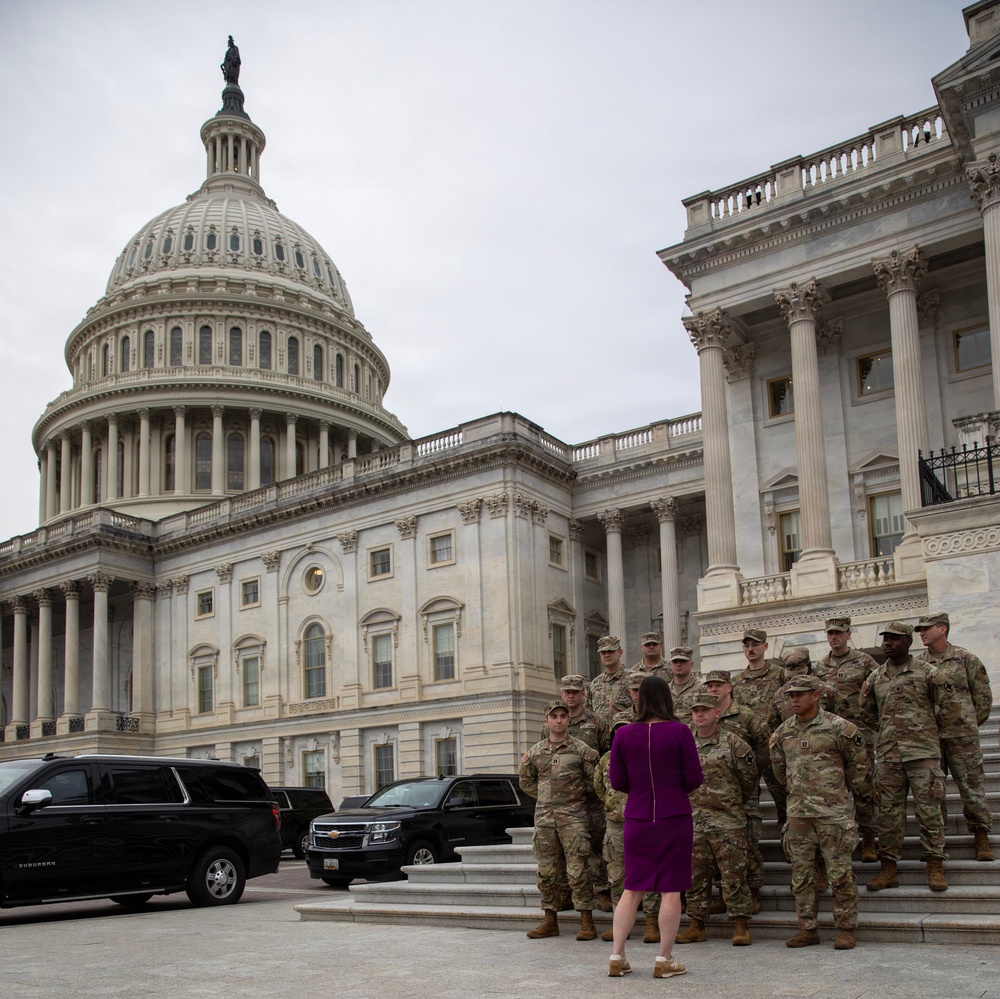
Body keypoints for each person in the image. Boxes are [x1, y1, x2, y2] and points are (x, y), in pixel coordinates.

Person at [607, 676, 703, 979]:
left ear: (639, 700)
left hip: (637, 816)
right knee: (671, 889)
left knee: (632, 888)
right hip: (673, 815)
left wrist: (641, 792)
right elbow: (695, 777)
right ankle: (664, 958)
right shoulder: (680, 731)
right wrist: (672, 791)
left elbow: (617, 781)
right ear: (667, 698)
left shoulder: (622, 734)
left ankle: (617, 954)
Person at [770, 674, 870, 950]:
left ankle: (846, 928)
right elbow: (780, 771)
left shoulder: (840, 728)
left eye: (800, 694)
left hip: (833, 814)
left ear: (816, 695)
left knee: (839, 874)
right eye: (791, 695)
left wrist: (837, 796)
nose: (794, 699)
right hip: (799, 814)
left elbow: (859, 768)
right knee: (801, 876)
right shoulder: (782, 732)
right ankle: (808, 928)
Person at [860, 622, 960, 893]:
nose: (887, 643)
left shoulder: (929, 673)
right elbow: (866, 711)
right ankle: (889, 868)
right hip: (890, 755)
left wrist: (928, 730)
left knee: (929, 812)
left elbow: (951, 707)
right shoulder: (876, 678)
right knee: (889, 815)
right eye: (885, 639)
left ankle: (935, 865)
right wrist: (887, 730)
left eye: (894, 639)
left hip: (923, 753)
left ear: (908, 642)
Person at [676, 691, 757, 947]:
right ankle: (697, 924)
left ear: (717, 713)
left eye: (705, 710)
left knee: (733, 876)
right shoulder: (683, 743)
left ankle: (740, 925)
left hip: (727, 822)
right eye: (695, 711)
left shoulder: (734, 743)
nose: (699, 715)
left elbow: (749, 780)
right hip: (694, 822)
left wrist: (729, 805)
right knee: (694, 877)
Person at [915, 612, 995, 862]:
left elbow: (982, 698)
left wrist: (967, 723)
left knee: (972, 789)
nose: (922, 633)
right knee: (933, 794)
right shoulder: (918, 664)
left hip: (962, 738)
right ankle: (937, 842)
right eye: (920, 630)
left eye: (927, 628)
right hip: (931, 740)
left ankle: (981, 835)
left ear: (942, 629)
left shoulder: (965, 658)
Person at [519, 702, 600, 940]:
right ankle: (550, 920)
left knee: (578, 871)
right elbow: (525, 781)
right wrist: (547, 797)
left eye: (563, 716)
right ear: (546, 721)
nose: (559, 720)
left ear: (568, 720)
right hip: (545, 820)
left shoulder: (581, 749)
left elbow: (595, 780)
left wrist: (574, 795)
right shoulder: (534, 753)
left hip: (573, 819)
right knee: (547, 872)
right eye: (554, 716)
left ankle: (586, 921)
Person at [538, 674, 612, 911]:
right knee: (563, 850)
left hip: (592, 798)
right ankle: (566, 892)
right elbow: (543, 761)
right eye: (567, 691)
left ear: (583, 694)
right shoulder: (550, 724)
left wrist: (599, 788)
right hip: (563, 801)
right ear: (562, 694)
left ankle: (602, 891)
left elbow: (606, 758)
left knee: (595, 846)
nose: (571, 695)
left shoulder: (597, 722)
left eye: (575, 691)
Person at [702, 669, 770, 914]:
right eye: (709, 686)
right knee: (720, 849)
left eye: (718, 685)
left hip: (743, 794)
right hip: (711, 798)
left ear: (729, 687)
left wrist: (745, 784)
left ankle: (753, 892)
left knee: (747, 845)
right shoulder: (701, 718)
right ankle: (726, 895)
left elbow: (764, 752)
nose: (713, 689)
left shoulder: (746, 717)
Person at [815, 616, 880, 863]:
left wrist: (874, 721)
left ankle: (869, 840)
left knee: (863, 786)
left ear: (848, 634)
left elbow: (879, 689)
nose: (834, 637)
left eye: (838, 633)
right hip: (831, 737)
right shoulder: (820, 666)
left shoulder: (864, 661)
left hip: (860, 734)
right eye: (830, 633)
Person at [732, 627, 787, 824]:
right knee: (747, 799)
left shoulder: (780, 675)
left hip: (774, 746)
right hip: (746, 749)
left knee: (782, 796)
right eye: (746, 645)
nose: (751, 649)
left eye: (755, 644)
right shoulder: (736, 681)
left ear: (765, 646)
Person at [768, 646, 845, 731]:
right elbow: (773, 729)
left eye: (799, 675)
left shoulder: (826, 690)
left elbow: (846, 723)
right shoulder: (780, 695)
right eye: (792, 677)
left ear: (808, 669)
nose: (796, 680)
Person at [589, 636, 634, 724]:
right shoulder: (595, 683)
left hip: (625, 732)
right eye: (603, 652)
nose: (607, 655)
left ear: (620, 652)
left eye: (611, 651)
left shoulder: (633, 678)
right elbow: (588, 712)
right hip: (601, 735)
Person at [666, 646, 701, 726]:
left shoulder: (701, 687)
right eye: (675, 662)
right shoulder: (665, 690)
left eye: (682, 661)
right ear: (670, 665)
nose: (678, 664)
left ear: (691, 664)